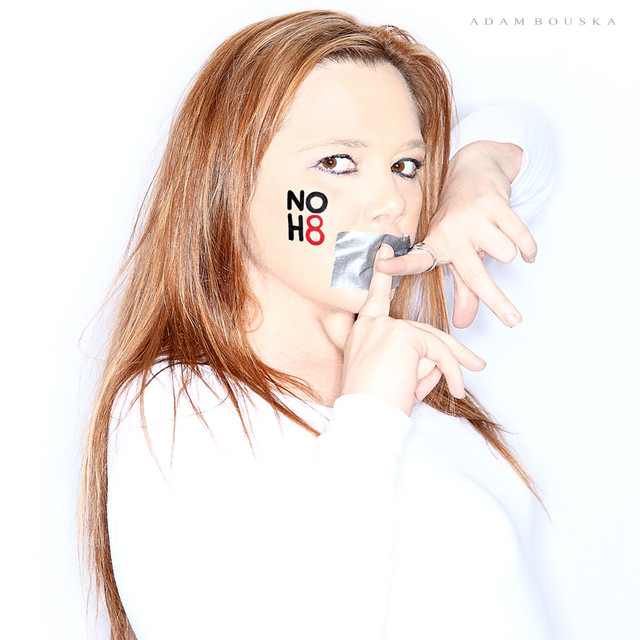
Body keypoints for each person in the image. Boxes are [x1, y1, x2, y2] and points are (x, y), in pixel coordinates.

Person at [81, 10, 556, 640]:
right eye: (335, 162)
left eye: (407, 167)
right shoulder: (182, 403)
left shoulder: (407, 360)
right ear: (229, 183)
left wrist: (473, 174)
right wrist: (371, 414)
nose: (391, 204)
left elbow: (529, 130)